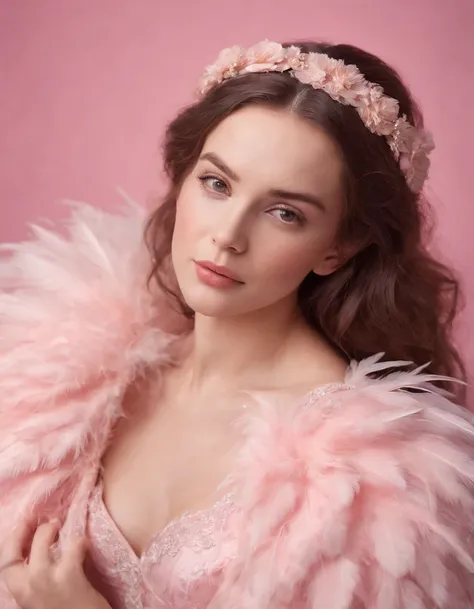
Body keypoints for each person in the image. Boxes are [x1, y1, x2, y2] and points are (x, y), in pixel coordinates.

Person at [0, 38, 472, 609]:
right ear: (182, 178)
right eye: (217, 184)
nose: (228, 234)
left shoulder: (372, 484)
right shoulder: (65, 380)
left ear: (338, 247)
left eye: (285, 213)